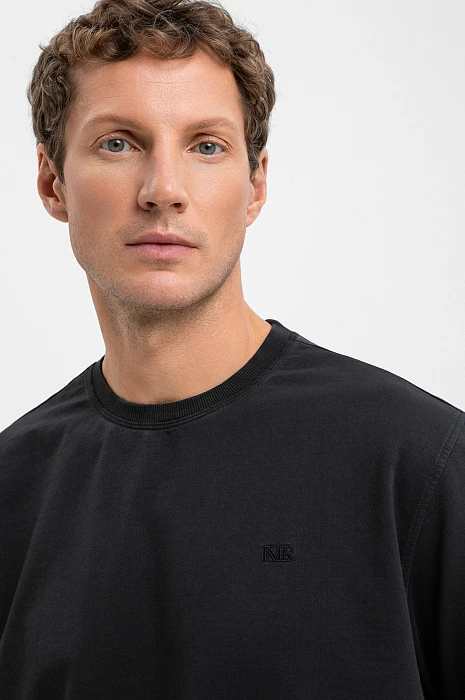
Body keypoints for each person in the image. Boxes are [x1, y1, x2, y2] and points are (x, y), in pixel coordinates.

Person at [0, 0, 464, 697]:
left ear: (255, 186)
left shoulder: (418, 463)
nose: (163, 190)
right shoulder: (13, 489)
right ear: (51, 182)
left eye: (206, 146)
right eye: (118, 143)